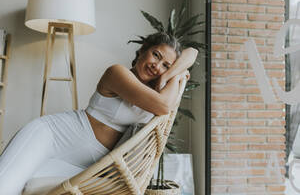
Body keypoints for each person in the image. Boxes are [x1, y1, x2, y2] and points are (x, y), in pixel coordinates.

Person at [0, 32, 198, 194]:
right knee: (5, 186)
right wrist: (172, 76)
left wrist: (171, 74)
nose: (157, 65)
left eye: (166, 65)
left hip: (84, 164)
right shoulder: (117, 73)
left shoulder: (156, 90)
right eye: (156, 55)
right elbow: (164, 106)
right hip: (50, 137)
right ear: (143, 50)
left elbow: (192, 52)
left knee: (28, 189)